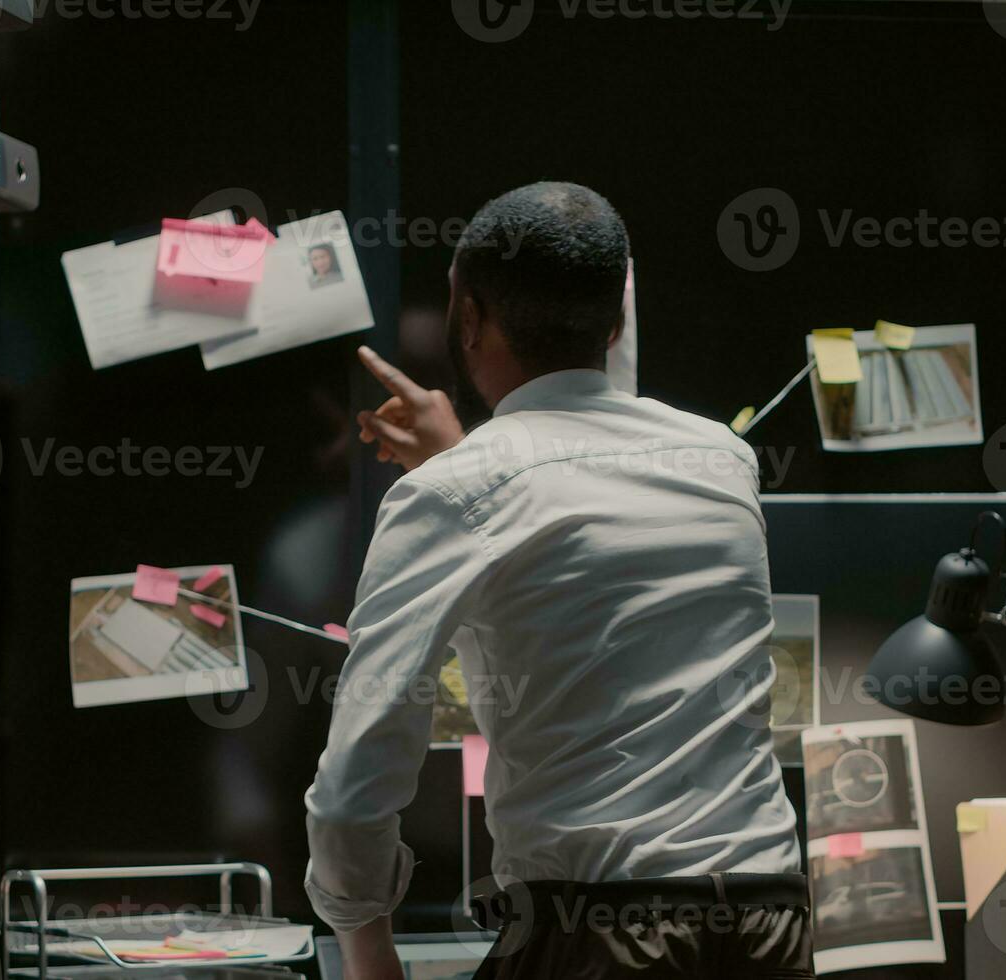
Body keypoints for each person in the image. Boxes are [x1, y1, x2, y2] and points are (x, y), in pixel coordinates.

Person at [304, 182, 811, 979]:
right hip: (770, 927)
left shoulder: (451, 496)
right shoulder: (722, 462)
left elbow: (359, 773)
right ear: (617, 321)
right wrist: (464, 463)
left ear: (465, 320)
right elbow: (593, 511)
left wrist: (369, 956)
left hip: (601, 938)